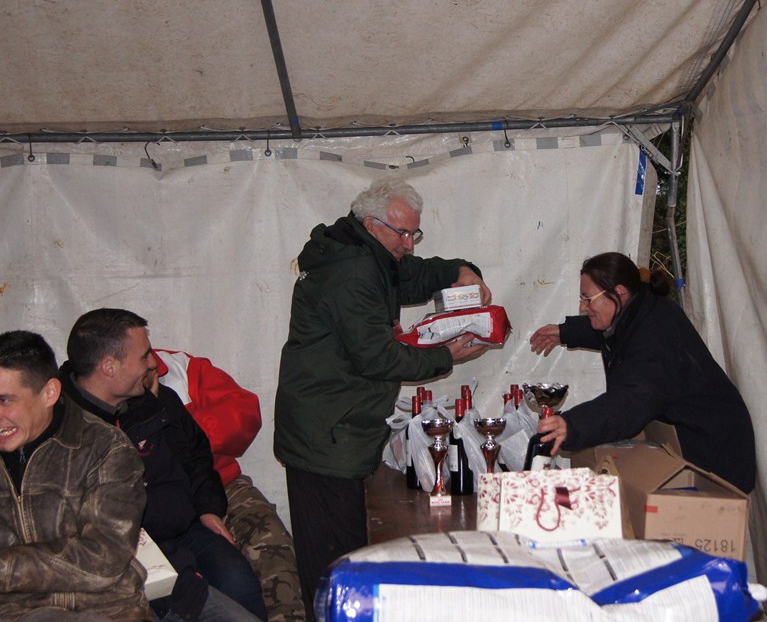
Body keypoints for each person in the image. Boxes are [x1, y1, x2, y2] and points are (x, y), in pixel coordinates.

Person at [274, 178, 493, 619]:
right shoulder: (352, 273)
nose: (410, 245)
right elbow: (377, 357)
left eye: (416, 233)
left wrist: (461, 270)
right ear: (372, 224)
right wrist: (443, 356)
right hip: (326, 435)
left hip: (339, 427)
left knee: (347, 549)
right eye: (403, 234)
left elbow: (415, 275)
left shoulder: (369, 255)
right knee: (335, 561)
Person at [58, 309, 266, 621]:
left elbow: (197, 456)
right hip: (127, 550)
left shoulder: (156, 401)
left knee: (239, 581)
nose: (154, 363)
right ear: (109, 367)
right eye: (144, 356)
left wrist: (207, 507)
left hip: (185, 528)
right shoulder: (62, 426)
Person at [529, 252, 757, 493]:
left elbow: (632, 400)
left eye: (588, 299)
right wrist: (565, 331)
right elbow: (617, 332)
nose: (582, 308)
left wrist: (573, 425)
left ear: (619, 292)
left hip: (716, 452)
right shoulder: (640, 309)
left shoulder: (657, 338)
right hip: (692, 441)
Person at [0, 330, 149, 621]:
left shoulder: (105, 448)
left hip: (105, 609)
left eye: (5, 400)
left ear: (49, 394)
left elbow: (104, 558)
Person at [153, 348, 304, 622]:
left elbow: (244, 413)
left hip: (223, 483)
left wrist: (183, 429)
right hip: (156, 505)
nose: (147, 366)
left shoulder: (183, 368)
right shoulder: (102, 391)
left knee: (272, 543)